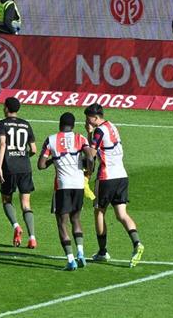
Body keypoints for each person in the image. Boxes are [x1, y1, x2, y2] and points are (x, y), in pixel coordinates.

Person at [83, 103, 145, 267]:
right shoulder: (111, 126)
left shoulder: (98, 131)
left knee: (99, 212)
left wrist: (88, 134)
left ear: (95, 118)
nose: (86, 120)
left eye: (88, 118)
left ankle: (102, 252)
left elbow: (91, 154)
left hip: (106, 177)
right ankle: (137, 243)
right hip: (122, 176)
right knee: (122, 214)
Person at [38, 111, 96, 271]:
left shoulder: (51, 139)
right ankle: (81, 253)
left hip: (62, 185)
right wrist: (88, 172)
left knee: (61, 223)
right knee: (76, 219)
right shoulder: (80, 138)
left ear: (60, 124)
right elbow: (90, 157)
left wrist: (53, 160)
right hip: (78, 184)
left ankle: (70, 260)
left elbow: (41, 165)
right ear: (73, 125)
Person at [0, 96, 37, 249]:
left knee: (6, 200)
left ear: (6, 108)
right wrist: (23, 156)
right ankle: (32, 237)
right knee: (26, 204)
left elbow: (2, 144)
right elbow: (33, 149)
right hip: (25, 167)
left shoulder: (1, 124)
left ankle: (16, 226)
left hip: (9, 167)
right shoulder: (26, 125)